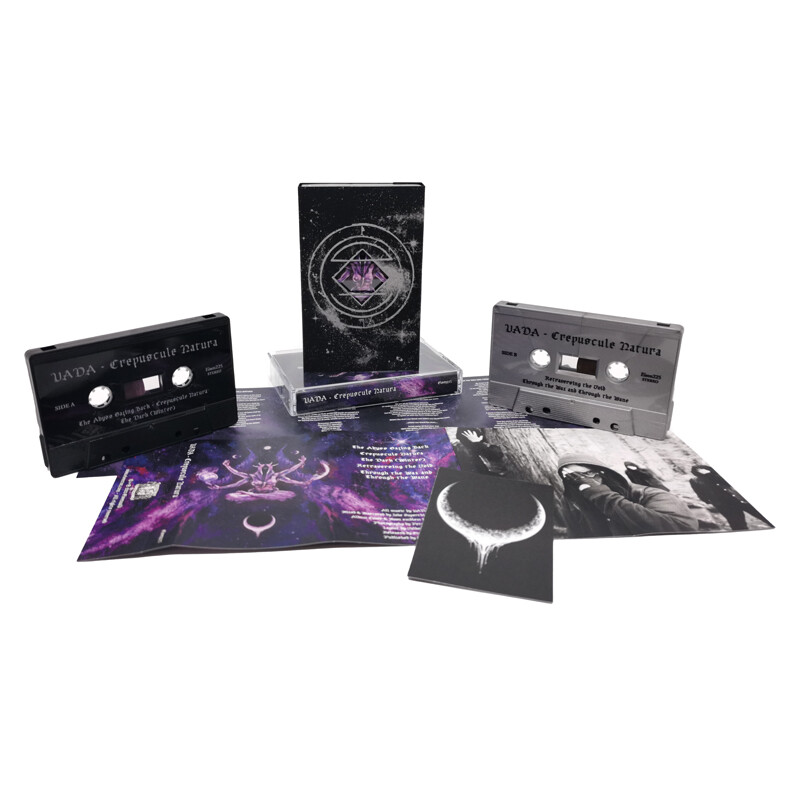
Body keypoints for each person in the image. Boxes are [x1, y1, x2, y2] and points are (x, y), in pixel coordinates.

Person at [558, 453, 699, 537]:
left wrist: (601, 495)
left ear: (603, 473)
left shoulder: (647, 494)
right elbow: (576, 536)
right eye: (573, 478)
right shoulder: (572, 503)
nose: (582, 481)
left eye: (588, 473)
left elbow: (683, 529)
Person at [689, 465, 771, 530]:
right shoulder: (694, 480)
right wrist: (712, 502)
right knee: (738, 526)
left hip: (739, 498)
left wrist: (711, 470)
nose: (700, 471)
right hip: (725, 505)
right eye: (697, 470)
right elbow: (700, 494)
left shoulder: (714, 475)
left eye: (702, 469)